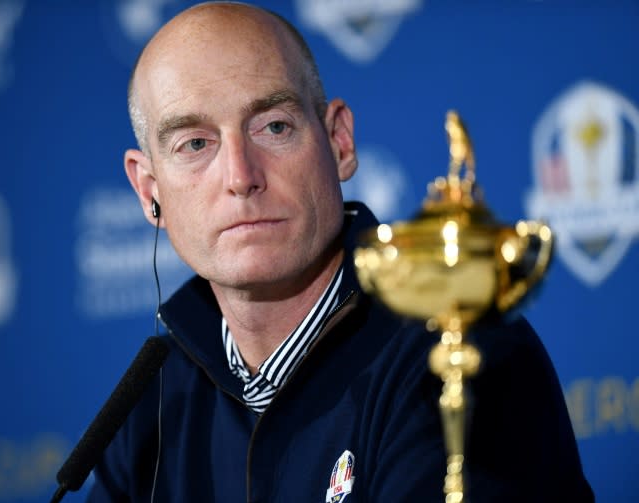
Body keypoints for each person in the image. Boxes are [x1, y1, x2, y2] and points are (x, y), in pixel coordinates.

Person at [87, 2, 593, 501]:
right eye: (195, 144)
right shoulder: (150, 405)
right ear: (149, 189)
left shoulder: (456, 347)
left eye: (274, 127)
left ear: (339, 142)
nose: (241, 177)